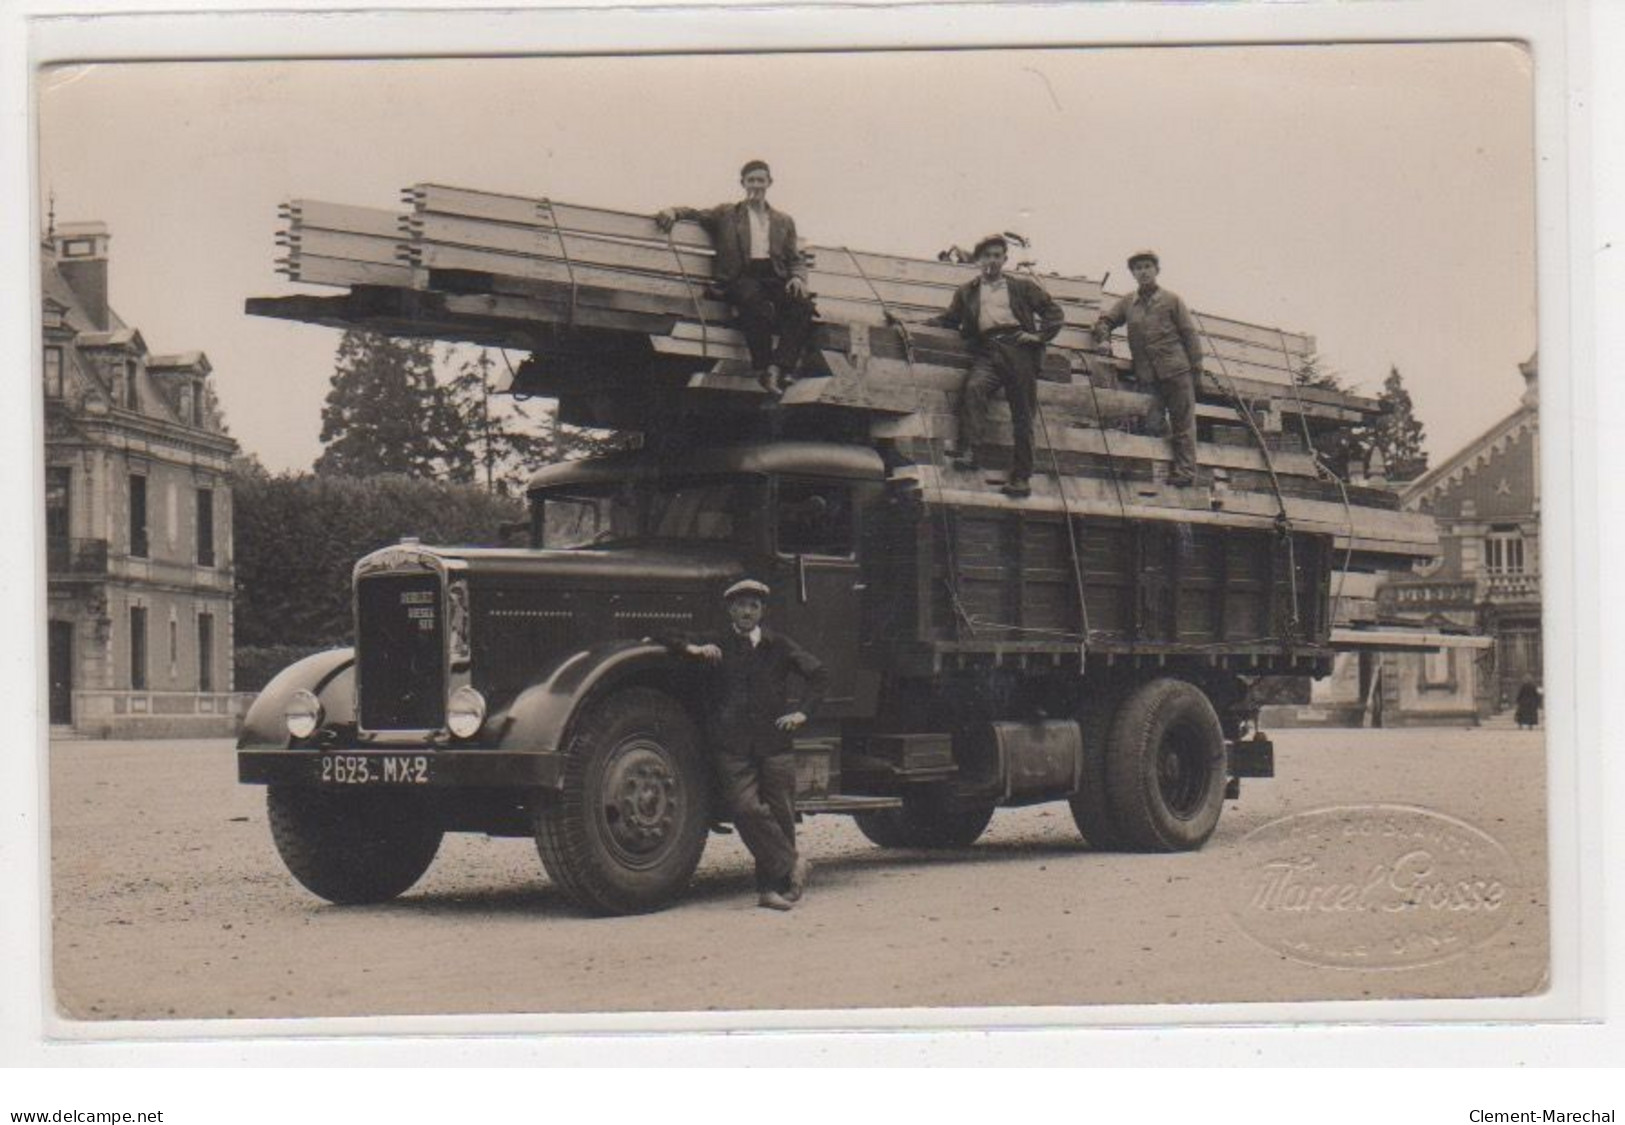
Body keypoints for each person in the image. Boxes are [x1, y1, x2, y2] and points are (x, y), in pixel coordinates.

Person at [670, 579, 828, 910]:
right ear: (730, 609)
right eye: (741, 605)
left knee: (781, 815)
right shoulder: (717, 642)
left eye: (753, 606)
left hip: (774, 743)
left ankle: (773, 890)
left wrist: (802, 713)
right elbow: (664, 638)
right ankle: (792, 862)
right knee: (744, 810)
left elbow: (817, 674)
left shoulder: (778, 645)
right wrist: (693, 650)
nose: (746, 612)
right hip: (732, 746)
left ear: (762, 611)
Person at [656, 161, 815, 396]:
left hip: (772, 277)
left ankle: (777, 367)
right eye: (751, 180)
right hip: (739, 277)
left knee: (803, 306)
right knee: (756, 305)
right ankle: (762, 367)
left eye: (761, 180)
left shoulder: (783, 220)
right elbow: (696, 214)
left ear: (769, 183)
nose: (756, 185)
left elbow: (795, 257)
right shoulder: (727, 214)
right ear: (743, 184)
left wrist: (798, 278)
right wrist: (673, 211)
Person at [929, 234, 1065, 498]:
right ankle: (970, 451)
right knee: (974, 389)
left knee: (1023, 414)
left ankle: (1021, 478)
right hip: (988, 350)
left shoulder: (1022, 287)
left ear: (1004, 259)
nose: (991, 260)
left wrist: (1038, 337)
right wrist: (912, 321)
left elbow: (1054, 312)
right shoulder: (967, 291)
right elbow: (949, 319)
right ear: (978, 260)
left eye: (996, 255)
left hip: (1018, 349)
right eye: (986, 256)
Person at [1092, 251, 1204, 487]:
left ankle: (1185, 473)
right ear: (1132, 273)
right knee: (1152, 424)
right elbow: (1105, 322)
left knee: (1183, 424)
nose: (1143, 271)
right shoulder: (1127, 303)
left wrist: (1196, 371)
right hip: (1147, 377)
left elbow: (1190, 335)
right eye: (1138, 268)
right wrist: (1104, 339)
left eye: (1147, 266)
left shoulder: (1172, 300)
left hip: (1177, 372)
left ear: (1156, 270)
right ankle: (1159, 474)